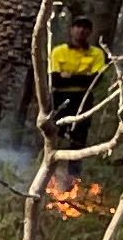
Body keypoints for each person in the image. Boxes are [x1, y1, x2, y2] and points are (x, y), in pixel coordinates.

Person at [45, 11, 111, 149]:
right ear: (71, 29)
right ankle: (48, 165)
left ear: (90, 32)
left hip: (83, 97)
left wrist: (69, 76)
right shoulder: (58, 51)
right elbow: (54, 79)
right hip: (60, 97)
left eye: (85, 28)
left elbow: (95, 80)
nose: (81, 30)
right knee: (55, 131)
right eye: (78, 26)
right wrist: (82, 77)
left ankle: (74, 169)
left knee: (80, 134)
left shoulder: (97, 53)